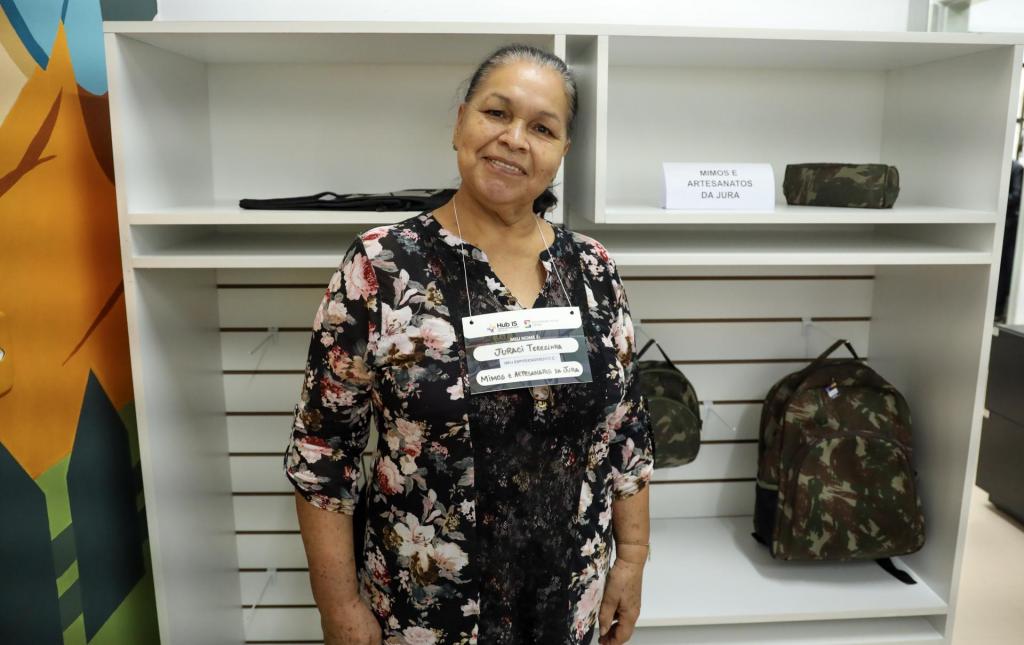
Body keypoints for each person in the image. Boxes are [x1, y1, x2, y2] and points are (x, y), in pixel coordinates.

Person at [284, 43, 654, 645]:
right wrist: (339, 606)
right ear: (461, 122)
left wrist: (632, 559)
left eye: (542, 128)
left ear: (562, 151)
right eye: (496, 113)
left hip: (567, 605)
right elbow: (323, 451)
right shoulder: (382, 266)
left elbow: (625, 433)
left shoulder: (591, 268)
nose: (514, 139)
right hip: (426, 613)